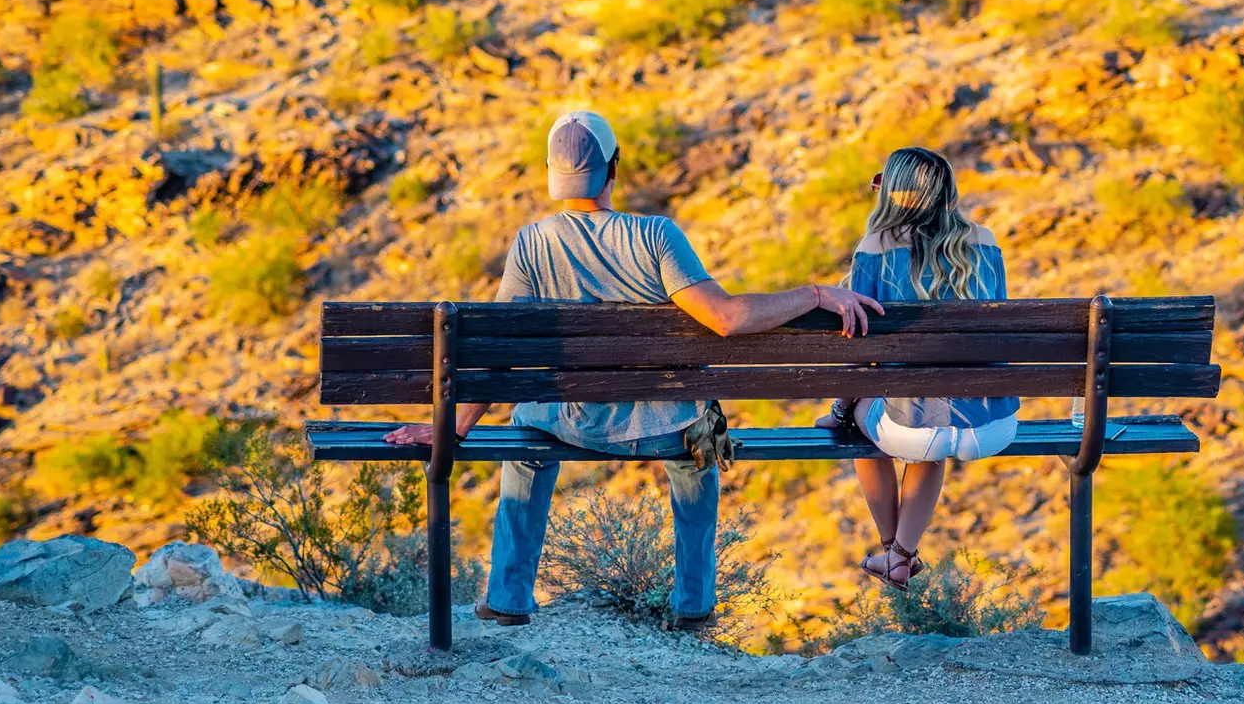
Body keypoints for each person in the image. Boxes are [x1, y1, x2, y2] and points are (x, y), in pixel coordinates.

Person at [385, 110, 882, 628]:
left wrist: (454, 426)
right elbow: (727, 318)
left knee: (523, 440)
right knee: (702, 442)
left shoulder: (532, 242)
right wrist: (817, 293)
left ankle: (508, 600)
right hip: (667, 426)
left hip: (566, 423)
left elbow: (500, 349)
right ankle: (693, 607)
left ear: (552, 172)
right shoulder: (656, 237)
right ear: (613, 168)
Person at [818, 146, 1013, 589]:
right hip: (994, 422)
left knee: (865, 421)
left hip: (918, 423)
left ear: (893, 195)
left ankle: (894, 552)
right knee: (932, 418)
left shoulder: (876, 247)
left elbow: (858, 351)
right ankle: (899, 556)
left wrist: (840, 407)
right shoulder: (985, 241)